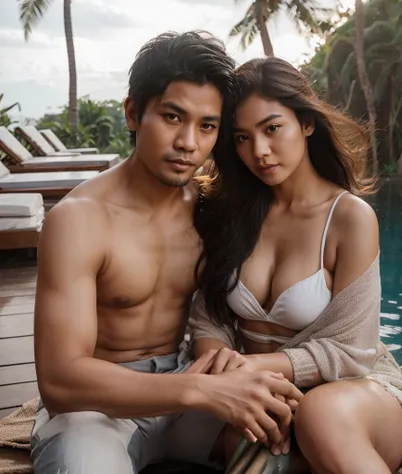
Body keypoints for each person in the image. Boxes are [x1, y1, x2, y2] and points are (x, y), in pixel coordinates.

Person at [31, 33, 303, 474]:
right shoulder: (79, 220)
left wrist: (231, 376)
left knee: (285, 442)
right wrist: (200, 391)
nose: (188, 143)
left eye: (207, 126)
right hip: (97, 409)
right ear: (134, 112)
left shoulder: (209, 209)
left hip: (186, 386)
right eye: (173, 117)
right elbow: (61, 380)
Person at [189, 57, 402, 473]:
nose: (259, 151)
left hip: (352, 394)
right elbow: (210, 319)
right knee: (240, 431)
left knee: (320, 415)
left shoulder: (349, 219)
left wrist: (252, 366)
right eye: (241, 137)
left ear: (307, 123)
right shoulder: (229, 213)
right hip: (257, 390)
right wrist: (225, 370)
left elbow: (351, 352)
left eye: (272, 128)